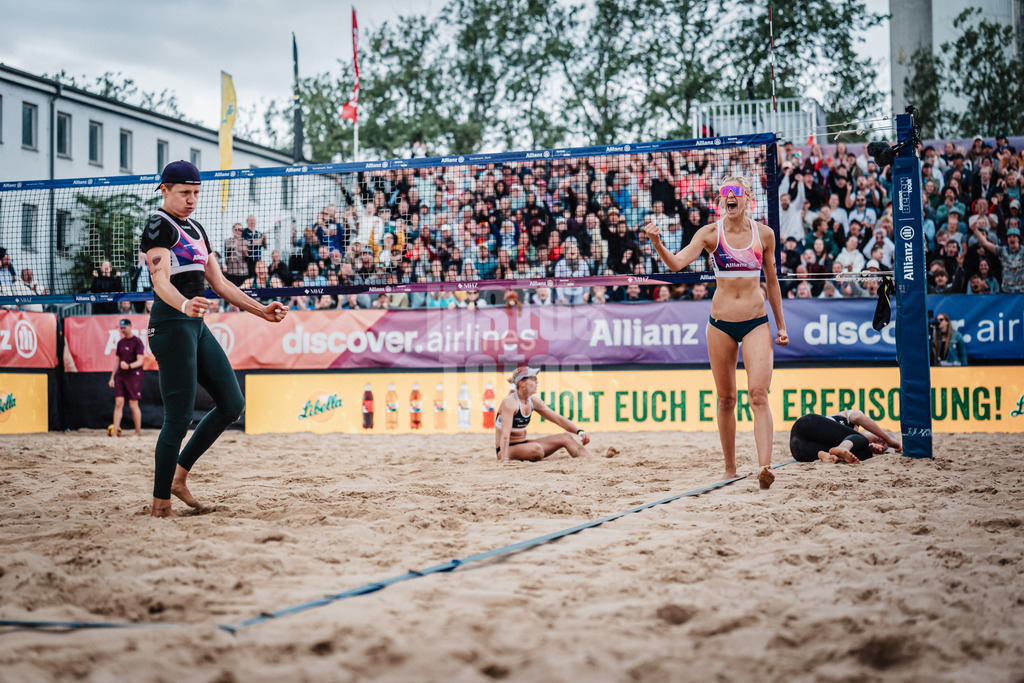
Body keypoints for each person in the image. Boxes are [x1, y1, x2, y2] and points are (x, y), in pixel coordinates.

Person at [140, 161, 288, 518]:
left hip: (195, 325)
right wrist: (185, 302)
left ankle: (179, 476)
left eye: (196, 193)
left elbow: (220, 284)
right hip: (172, 324)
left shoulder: (198, 229)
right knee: (178, 418)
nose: (192, 200)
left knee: (232, 403)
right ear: (165, 189)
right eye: (184, 193)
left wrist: (261, 310)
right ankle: (161, 505)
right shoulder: (158, 225)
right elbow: (160, 281)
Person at [644, 176, 788, 489]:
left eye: (735, 192)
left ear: (748, 197)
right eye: (725, 193)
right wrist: (657, 243)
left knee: (758, 395)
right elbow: (677, 264)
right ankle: (730, 468)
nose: (729, 197)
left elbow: (773, 282)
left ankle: (765, 466)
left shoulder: (764, 235)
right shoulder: (710, 233)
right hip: (720, 323)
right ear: (721, 200)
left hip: (756, 321)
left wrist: (781, 325)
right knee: (726, 399)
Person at [496, 366, 618, 462]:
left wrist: (579, 431)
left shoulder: (533, 401)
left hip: (523, 444)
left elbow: (557, 419)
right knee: (536, 450)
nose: (536, 382)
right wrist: (505, 460)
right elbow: (505, 434)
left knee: (565, 437)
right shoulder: (509, 403)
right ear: (521, 383)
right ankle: (509, 457)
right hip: (505, 449)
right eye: (533, 379)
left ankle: (596, 460)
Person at [789, 410, 902, 464]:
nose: (881, 441)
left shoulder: (862, 449)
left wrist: (871, 450)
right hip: (806, 425)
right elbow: (858, 416)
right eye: (882, 438)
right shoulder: (851, 420)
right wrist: (888, 439)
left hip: (800, 451)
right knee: (862, 440)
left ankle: (827, 455)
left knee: (864, 454)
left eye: (883, 446)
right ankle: (842, 448)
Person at [108, 318, 145, 437]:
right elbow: (116, 361)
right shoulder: (120, 342)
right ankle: (114, 433)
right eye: (121, 328)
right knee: (118, 403)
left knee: (133, 404)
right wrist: (112, 377)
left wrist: (128, 366)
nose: (122, 330)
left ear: (130, 326)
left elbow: (140, 361)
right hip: (121, 376)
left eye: (124, 327)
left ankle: (137, 432)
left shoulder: (137, 342)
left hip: (133, 376)